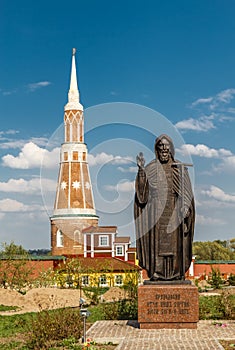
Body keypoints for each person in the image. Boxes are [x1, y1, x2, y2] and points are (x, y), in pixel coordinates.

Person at [134, 134, 195, 281]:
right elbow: (142, 197)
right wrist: (141, 172)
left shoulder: (179, 168)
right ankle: (157, 273)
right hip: (156, 215)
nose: (163, 150)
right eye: (160, 148)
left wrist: (185, 207)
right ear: (156, 150)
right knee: (157, 247)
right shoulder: (151, 168)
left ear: (171, 150)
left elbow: (187, 193)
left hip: (174, 213)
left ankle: (176, 273)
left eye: (166, 148)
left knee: (175, 246)